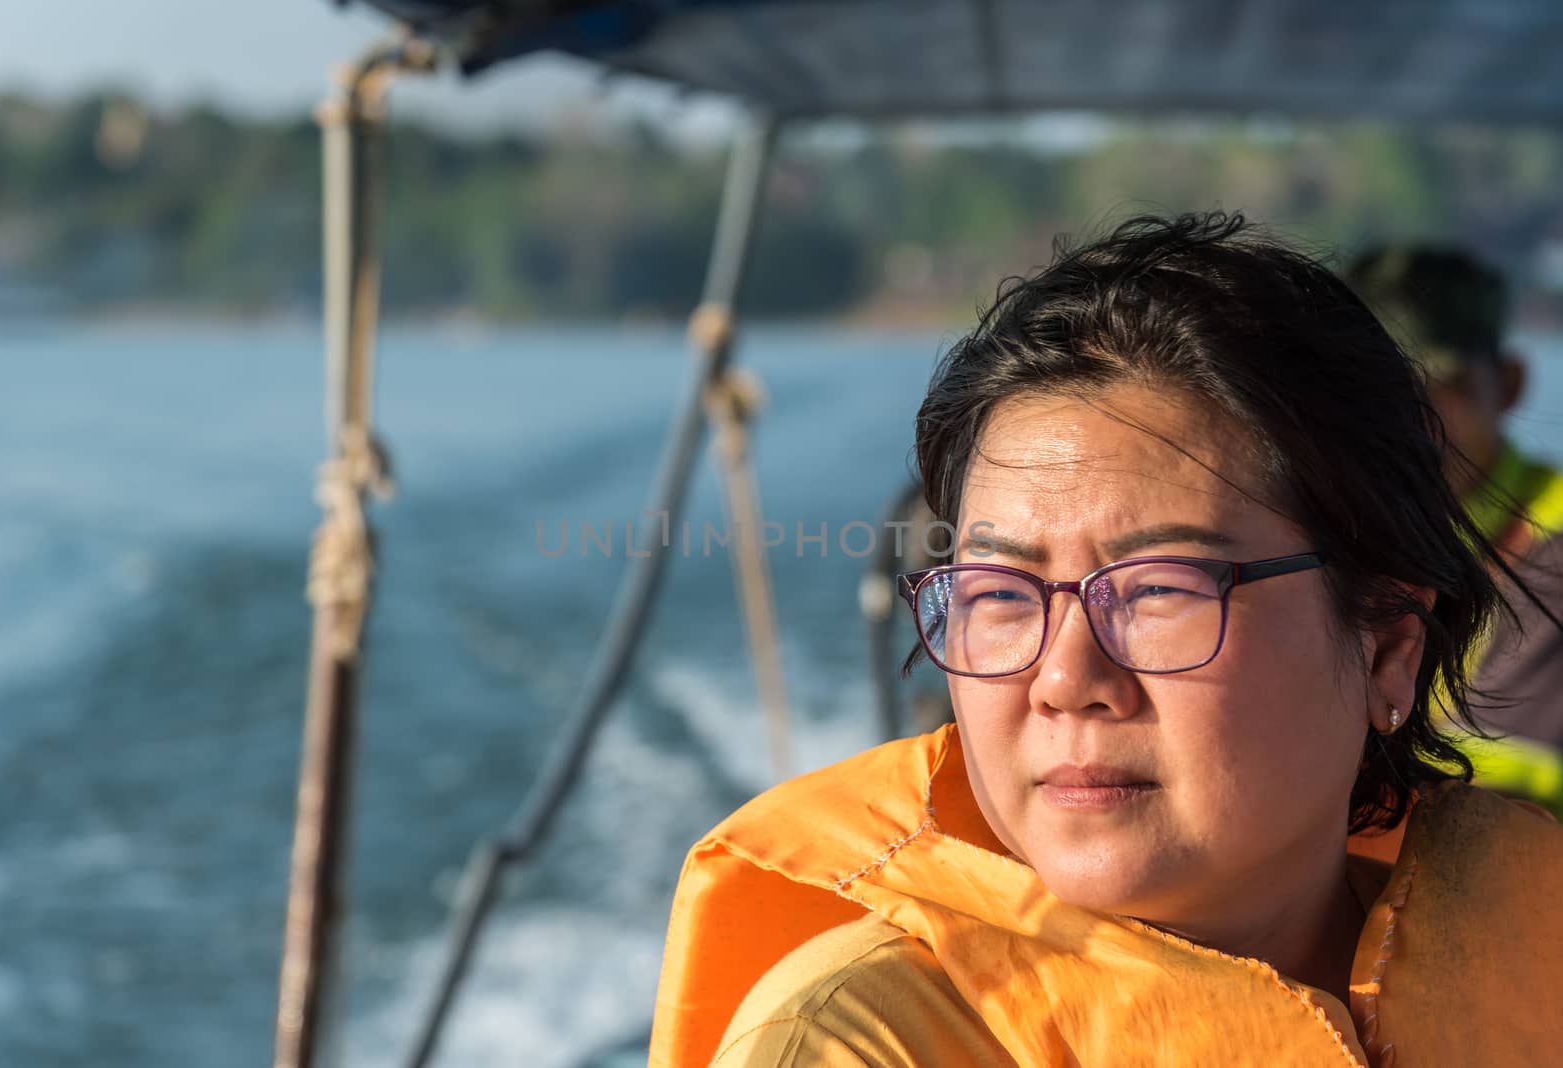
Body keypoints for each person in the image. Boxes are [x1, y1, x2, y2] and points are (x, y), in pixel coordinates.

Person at [648, 213, 1563, 1067]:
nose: (1063, 677)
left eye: (1161, 587)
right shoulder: (860, 1041)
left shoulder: (1532, 952)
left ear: (1389, 649)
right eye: (1000, 593)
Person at [1346, 247, 1563, 813]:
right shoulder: (1321, 543)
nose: (1420, 419)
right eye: (1384, 390)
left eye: (1451, 383)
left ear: (1510, 383)